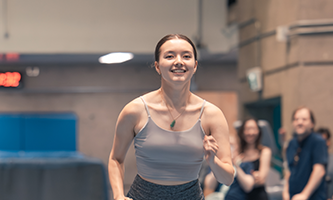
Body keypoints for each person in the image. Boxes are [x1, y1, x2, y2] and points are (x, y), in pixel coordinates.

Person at [108, 34, 235, 200]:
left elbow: (227, 178)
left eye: (186, 56)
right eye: (169, 56)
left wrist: (212, 160)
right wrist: (118, 196)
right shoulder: (135, 110)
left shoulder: (211, 114)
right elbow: (116, 159)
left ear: (195, 65)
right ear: (157, 66)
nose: (179, 61)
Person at [283, 107, 328, 200]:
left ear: (312, 123)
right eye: (296, 119)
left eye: (304, 119)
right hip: (294, 196)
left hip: (312, 197)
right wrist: (286, 191)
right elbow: (290, 171)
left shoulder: (318, 141)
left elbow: (319, 171)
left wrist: (305, 194)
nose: (299, 122)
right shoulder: (291, 143)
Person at [225, 118, 271, 200]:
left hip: (258, 196)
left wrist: (249, 180)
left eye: (253, 129)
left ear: (258, 131)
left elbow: (261, 180)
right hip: (239, 196)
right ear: (242, 132)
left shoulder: (264, 151)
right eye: (247, 129)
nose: (251, 132)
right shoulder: (238, 152)